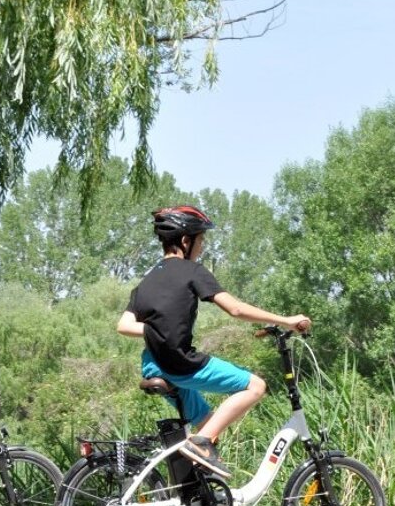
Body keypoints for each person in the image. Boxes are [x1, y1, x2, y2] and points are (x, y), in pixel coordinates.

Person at [117, 205, 311, 478]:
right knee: (255, 386)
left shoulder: (147, 281)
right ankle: (200, 444)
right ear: (186, 241)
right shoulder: (192, 271)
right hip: (178, 364)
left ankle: (192, 503)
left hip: (153, 366)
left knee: (210, 423)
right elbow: (236, 309)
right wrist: (286, 320)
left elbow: (124, 326)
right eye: (201, 240)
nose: (202, 247)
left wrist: (156, 331)